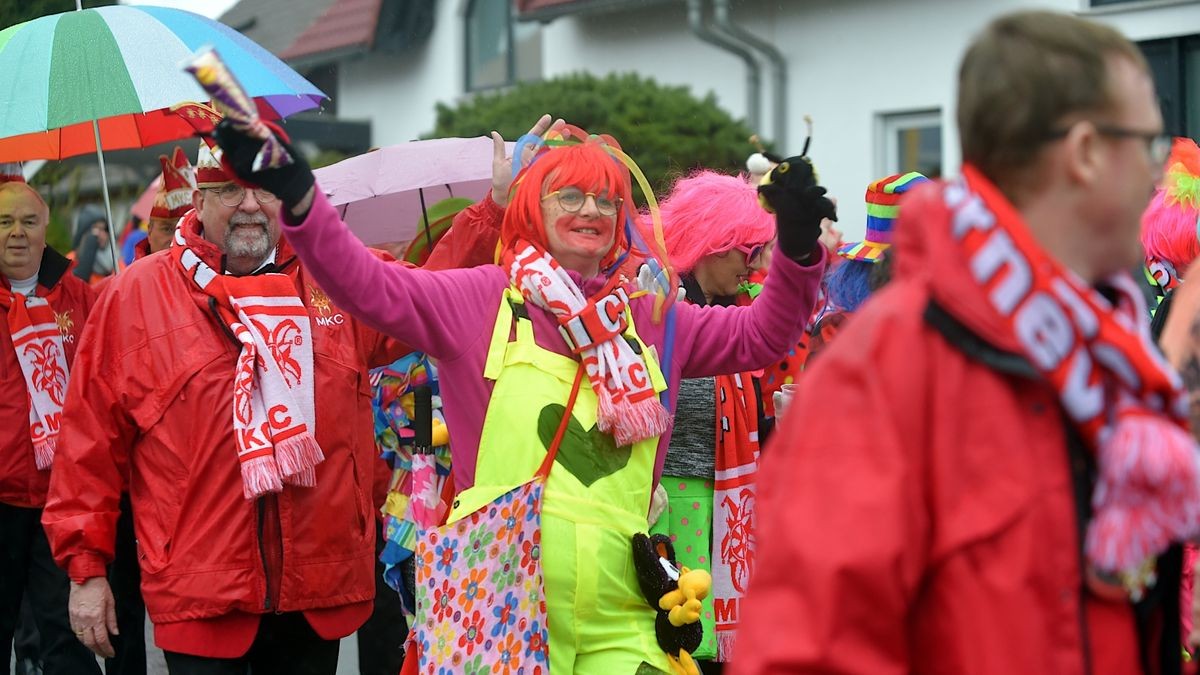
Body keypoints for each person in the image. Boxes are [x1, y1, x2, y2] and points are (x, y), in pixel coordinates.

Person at [210, 118, 830, 672]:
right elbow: (364, 284)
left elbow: (764, 335)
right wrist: (300, 199)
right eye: (571, 194)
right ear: (535, 206)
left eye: (606, 201)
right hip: (500, 601)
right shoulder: (479, 299)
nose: (591, 209)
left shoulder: (652, 317)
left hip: (624, 607)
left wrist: (798, 251)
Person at [735, 10, 1185, 675]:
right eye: (1149, 145)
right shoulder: (881, 376)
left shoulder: (1111, 356)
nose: (1158, 179)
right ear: (1087, 151)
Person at [41, 139, 409, 675]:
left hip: (317, 588)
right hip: (201, 593)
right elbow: (87, 446)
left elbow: (433, 298)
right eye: (231, 189)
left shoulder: (336, 275)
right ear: (200, 200)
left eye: (263, 189)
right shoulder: (134, 295)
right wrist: (86, 570)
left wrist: (493, 213)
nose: (251, 204)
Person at [649, 169, 777, 669]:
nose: (755, 267)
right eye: (750, 253)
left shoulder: (736, 310)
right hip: (668, 508)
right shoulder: (662, 306)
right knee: (675, 647)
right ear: (713, 244)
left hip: (722, 516)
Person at [0, 179, 100, 675]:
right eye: (4, 222)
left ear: (46, 232)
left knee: (68, 637)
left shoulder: (82, 299)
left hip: (61, 501)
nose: (16, 233)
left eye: (28, 221)